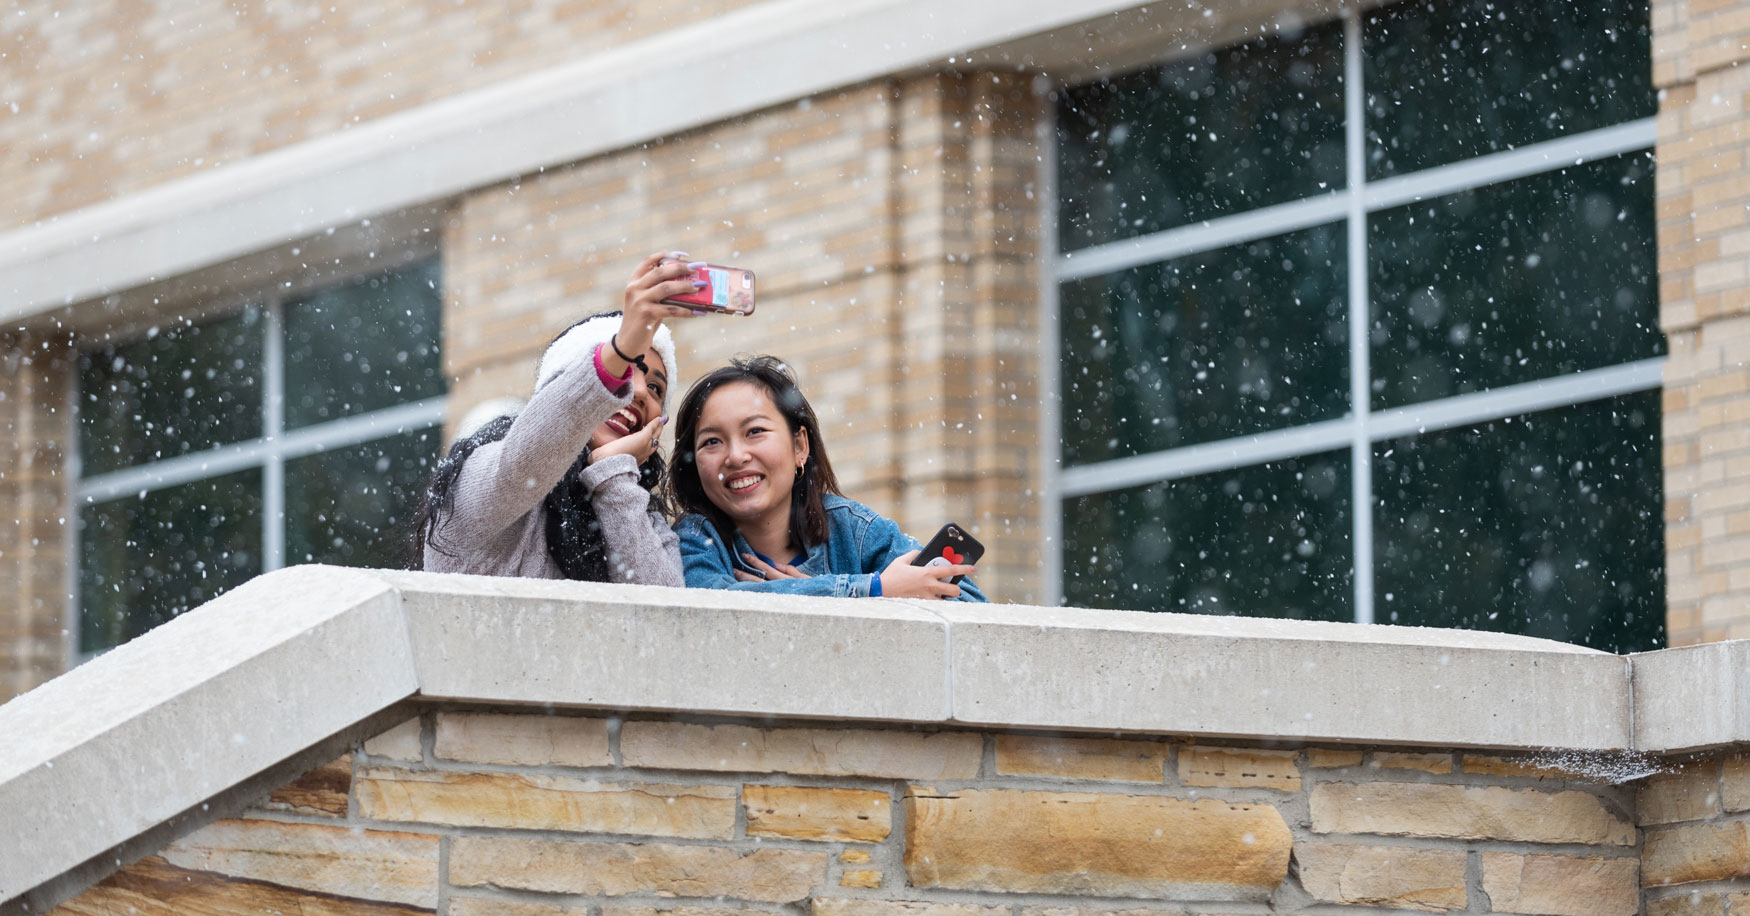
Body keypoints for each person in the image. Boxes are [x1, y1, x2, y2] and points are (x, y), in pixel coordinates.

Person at [412, 251, 706, 583]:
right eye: (627, 368)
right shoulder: (482, 481)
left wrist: (612, 477)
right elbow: (523, 463)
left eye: (655, 388)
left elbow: (661, 610)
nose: (639, 391)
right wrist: (621, 348)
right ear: (564, 386)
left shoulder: (650, 525)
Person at [670, 355, 987, 601]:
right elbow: (712, 603)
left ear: (799, 446)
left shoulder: (852, 529)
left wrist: (815, 592)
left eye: (755, 431)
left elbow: (972, 607)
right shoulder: (693, 538)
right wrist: (873, 590)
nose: (736, 455)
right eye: (712, 441)